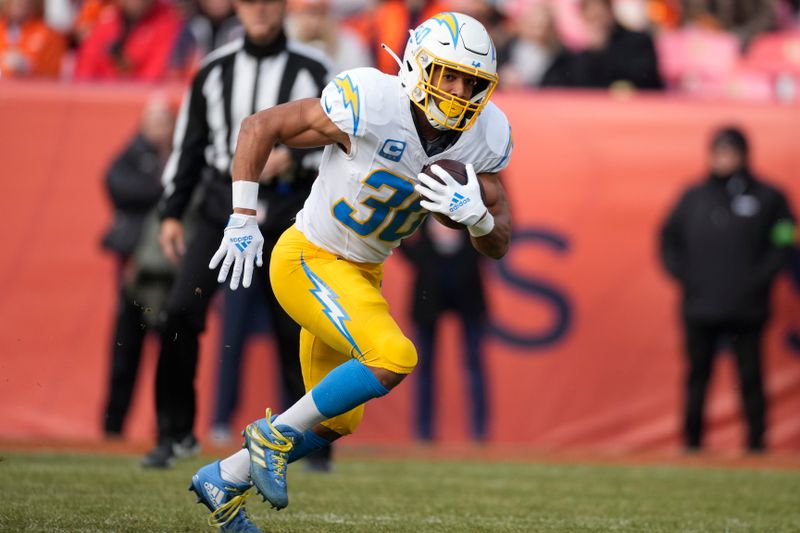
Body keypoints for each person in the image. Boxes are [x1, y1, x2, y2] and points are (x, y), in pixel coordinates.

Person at [189, 12, 514, 532]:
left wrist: (476, 216)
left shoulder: (484, 138)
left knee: (339, 418)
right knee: (395, 355)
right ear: (417, 67)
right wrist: (243, 216)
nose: (458, 91)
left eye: (471, 81)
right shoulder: (373, 103)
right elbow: (259, 126)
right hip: (308, 259)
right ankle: (267, 438)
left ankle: (224, 479)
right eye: (447, 75)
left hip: (362, 274)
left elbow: (497, 241)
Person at [143, 0, 330, 469]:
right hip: (220, 209)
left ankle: (309, 444)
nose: (260, 11)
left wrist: (295, 157)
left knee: (297, 327)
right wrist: (171, 212)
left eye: (269, 2)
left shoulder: (315, 69)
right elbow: (190, 142)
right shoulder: (213, 70)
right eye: (251, 2)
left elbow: (342, 142)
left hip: (289, 210)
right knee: (182, 310)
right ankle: (174, 430)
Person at [660, 126, 796, 453]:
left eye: (729, 152)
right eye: (718, 152)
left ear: (743, 155)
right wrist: (687, 277)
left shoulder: (768, 197)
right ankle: (692, 444)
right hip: (700, 303)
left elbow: (784, 239)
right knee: (697, 375)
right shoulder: (694, 196)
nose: (722, 159)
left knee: (750, 376)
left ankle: (756, 445)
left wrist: (758, 279)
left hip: (747, 306)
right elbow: (668, 240)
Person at [100, 96, 177, 437]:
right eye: (153, 121)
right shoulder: (135, 154)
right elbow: (115, 183)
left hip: (170, 274)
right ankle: (112, 430)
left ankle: (167, 429)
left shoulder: (180, 156)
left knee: (172, 355)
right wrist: (162, 188)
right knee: (124, 352)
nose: (159, 128)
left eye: (165, 121)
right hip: (136, 272)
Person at [400, 218, 490, 442]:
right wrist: (418, 257)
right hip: (429, 278)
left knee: (474, 362)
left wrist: (477, 254)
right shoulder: (418, 184)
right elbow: (397, 221)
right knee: (424, 364)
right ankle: (423, 433)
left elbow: (501, 216)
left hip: (467, 277)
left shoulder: (481, 181)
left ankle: (480, 433)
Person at [74, 0, 187, 81]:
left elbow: (153, 77)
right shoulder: (105, 20)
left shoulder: (170, 22)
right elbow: (84, 73)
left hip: (140, 104)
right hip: (100, 101)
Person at [567, 0, 663, 90]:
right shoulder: (576, 54)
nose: (596, 23)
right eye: (591, 18)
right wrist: (591, 53)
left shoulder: (638, 42)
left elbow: (642, 80)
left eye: (598, 16)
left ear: (609, 11)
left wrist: (601, 50)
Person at [0, 0, 66, 78]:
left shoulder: (47, 33)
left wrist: (26, 66)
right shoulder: (2, 28)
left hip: (32, 86)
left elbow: (53, 71)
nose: (18, 4)